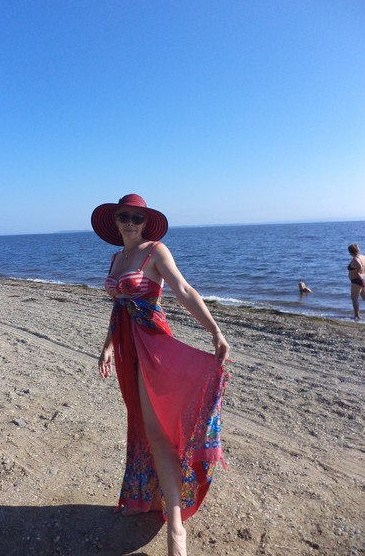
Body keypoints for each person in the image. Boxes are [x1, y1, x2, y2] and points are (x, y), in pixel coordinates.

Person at [91, 194, 230, 556]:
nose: (130, 223)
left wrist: (214, 331)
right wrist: (108, 347)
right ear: (115, 220)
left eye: (137, 218)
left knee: (157, 432)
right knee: (141, 424)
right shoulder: (116, 258)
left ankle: (176, 527)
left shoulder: (155, 251)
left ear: (145, 223)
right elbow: (120, 307)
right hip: (127, 349)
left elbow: (183, 290)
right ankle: (151, 498)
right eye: (124, 216)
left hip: (153, 346)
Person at [347, 243, 365, 320]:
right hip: (362, 279)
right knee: (364, 297)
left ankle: (357, 316)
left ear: (350, 252)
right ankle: (357, 315)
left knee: (354, 298)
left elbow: (360, 266)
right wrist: (362, 274)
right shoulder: (363, 257)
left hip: (356, 281)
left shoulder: (355, 259)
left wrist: (358, 272)